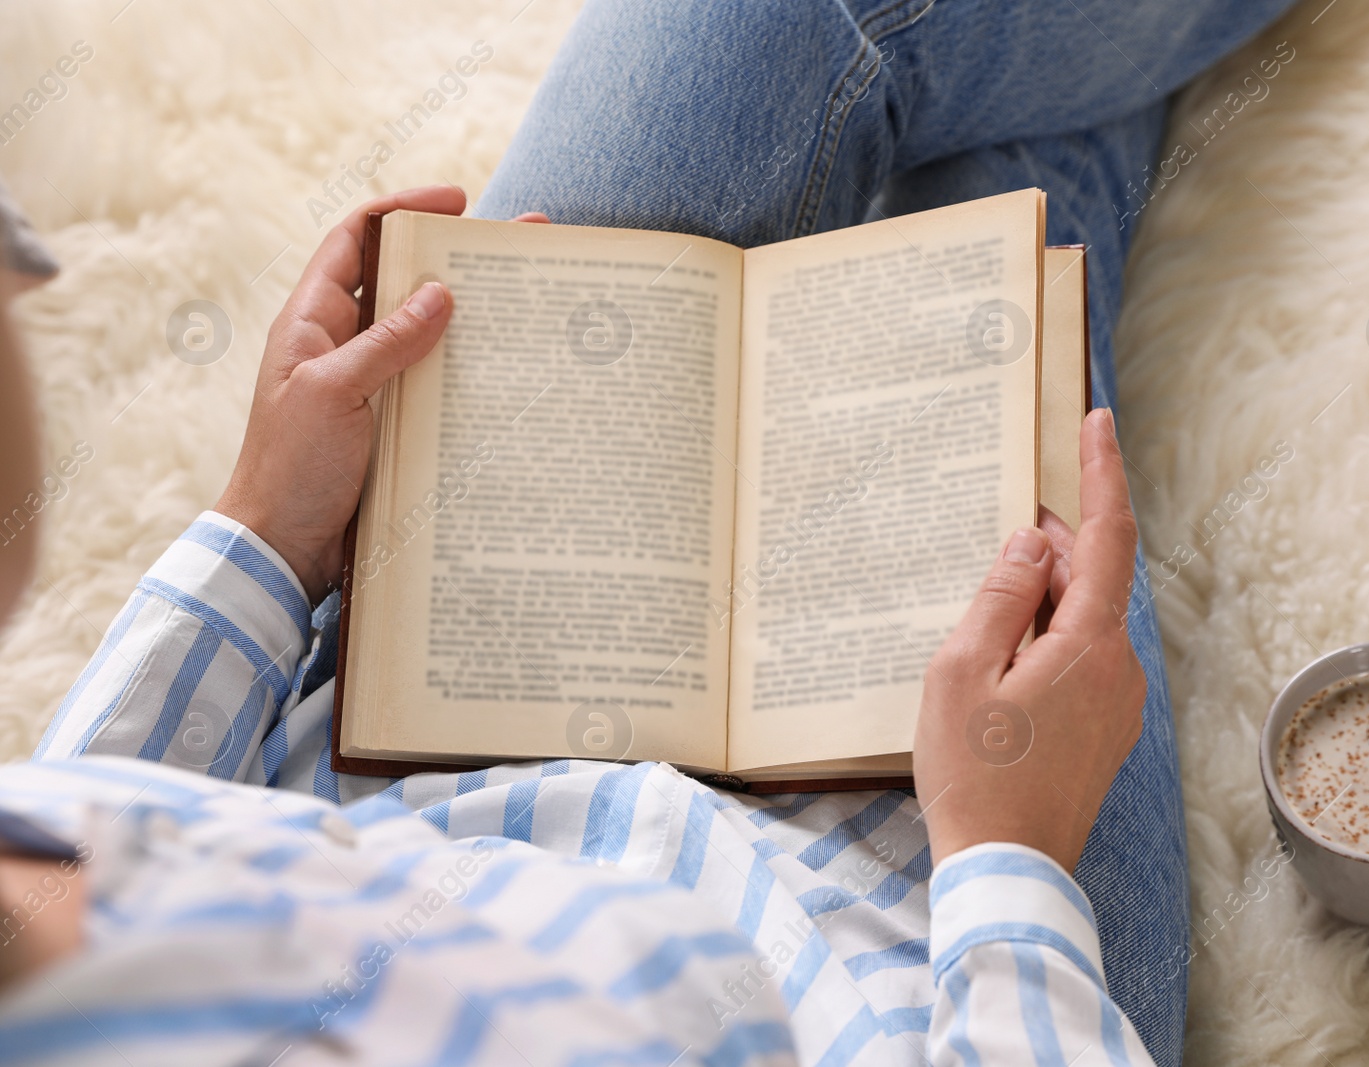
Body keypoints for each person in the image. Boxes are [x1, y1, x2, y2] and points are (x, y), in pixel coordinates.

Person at [1, 0, 1297, 1062]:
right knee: (1015, 225)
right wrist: (1012, 860)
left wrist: (269, 527)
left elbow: (93, 798)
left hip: (430, 657)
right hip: (939, 904)